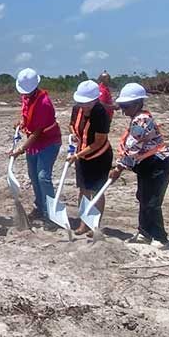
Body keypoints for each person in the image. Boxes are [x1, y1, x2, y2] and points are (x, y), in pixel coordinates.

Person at [109, 83, 169, 246]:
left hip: (158, 163)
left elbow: (132, 149)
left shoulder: (142, 121)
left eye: (126, 106)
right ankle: (144, 233)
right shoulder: (136, 118)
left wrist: (118, 169)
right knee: (143, 197)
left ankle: (160, 237)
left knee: (152, 201)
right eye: (122, 106)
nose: (123, 110)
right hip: (146, 163)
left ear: (138, 103)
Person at [8, 68, 62, 228]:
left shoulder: (44, 103)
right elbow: (26, 115)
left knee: (43, 177)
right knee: (33, 175)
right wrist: (21, 123)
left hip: (48, 142)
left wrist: (20, 149)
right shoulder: (26, 97)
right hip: (34, 143)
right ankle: (40, 206)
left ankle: (51, 214)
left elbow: (37, 133)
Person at [68, 80, 113, 235]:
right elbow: (72, 125)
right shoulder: (76, 109)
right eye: (81, 103)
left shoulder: (101, 113)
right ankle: (83, 223)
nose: (84, 106)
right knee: (83, 189)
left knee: (97, 190)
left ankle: (95, 225)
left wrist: (77, 155)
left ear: (95, 100)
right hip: (81, 155)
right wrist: (74, 134)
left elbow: (98, 142)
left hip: (99, 156)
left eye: (87, 103)